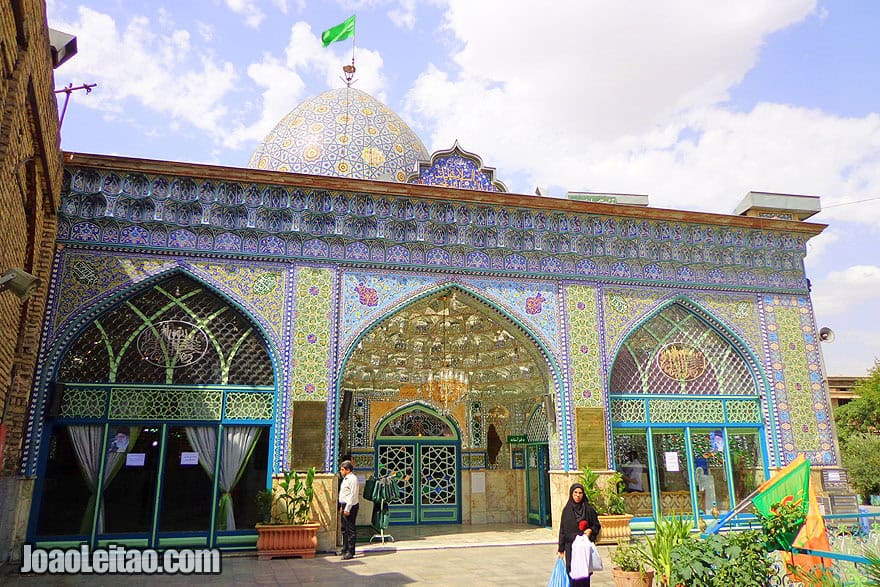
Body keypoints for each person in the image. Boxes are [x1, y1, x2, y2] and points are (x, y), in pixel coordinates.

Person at [557, 482, 601, 587]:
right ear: (571, 494)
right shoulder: (567, 510)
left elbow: (596, 525)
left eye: (580, 493)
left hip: (584, 549)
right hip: (571, 547)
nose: (578, 495)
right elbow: (562, 530)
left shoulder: (589, 510)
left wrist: (590, 530)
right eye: (575, 493)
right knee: (572, 573)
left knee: (584, 575)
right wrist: (560, 549)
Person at [338, 459, 360, 560]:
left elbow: (352, 495)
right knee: (344, 528)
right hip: (344, 505)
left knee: (350, 529)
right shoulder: (346, 478)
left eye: (342, 469)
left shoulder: (353, 479)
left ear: (347, 470)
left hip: (350, 506)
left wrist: (347, 508)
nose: (341, 471)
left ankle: (350, 551)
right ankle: (344, 548)